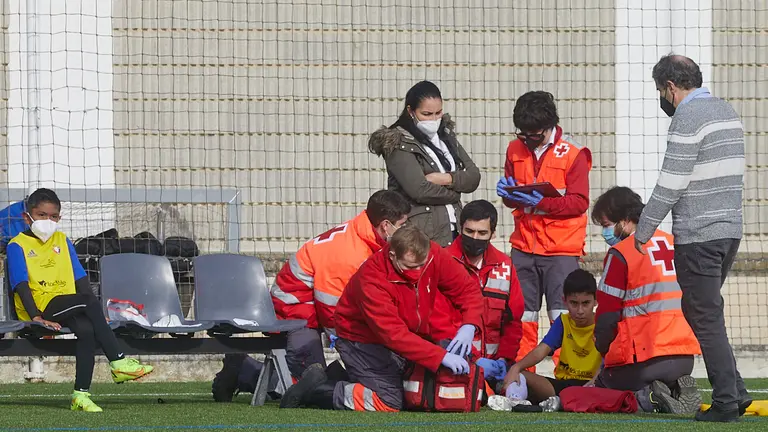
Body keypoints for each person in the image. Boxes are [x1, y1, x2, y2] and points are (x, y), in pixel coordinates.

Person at [636, 54, 751, 422]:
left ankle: (725, 403)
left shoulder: (688, 116)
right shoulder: (726, 110)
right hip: (728, 230)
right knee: (705, 311)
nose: (661, 98)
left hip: (699, 234)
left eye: (660, 90)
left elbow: (672, 181)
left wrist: (645, 226)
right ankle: (737, 391)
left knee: (704, 316)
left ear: (670, 87)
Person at [212, 190, 411, 402]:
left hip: (311, 305)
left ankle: (246, 370)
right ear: (385, 225)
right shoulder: (348, 256)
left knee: (319, 380)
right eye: (403, 224)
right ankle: (244, 369)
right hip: (295, 308)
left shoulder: (364, 237)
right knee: (307, 383)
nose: (407, 230)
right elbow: (333, 310)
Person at [278, 225, 485, 411]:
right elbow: (393, 335)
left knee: (414, 391)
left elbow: (467, 289)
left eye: (421, 265)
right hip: (360, 339)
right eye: (410, 267)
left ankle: (336, 376)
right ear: (392, 255)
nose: (418, 272)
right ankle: (320, 391)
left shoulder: (432, 255)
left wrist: (469, 324)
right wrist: (440, 356)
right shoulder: (372, 278)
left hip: (405, 334)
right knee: (390, 401)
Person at [6, 188, 154, 412]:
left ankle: (80, 396)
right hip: (38, 308)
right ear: (28, 217)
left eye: (53, 216)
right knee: (87, 301)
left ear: (60, 218)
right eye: (41, 215)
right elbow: (21, 285)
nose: (48, 221)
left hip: (68, 304)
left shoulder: (63, 241)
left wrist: (97, 316)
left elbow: (80, 278)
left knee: (87, 329)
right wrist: (35, 317)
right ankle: (118, 361)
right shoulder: (17, 245)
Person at [496, 91, 592, 367]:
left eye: (533, 135)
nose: (527, 139)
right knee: (522, 315)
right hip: (524, 245)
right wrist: (507, 193)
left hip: (561, 248)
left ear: (549, 126)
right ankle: (522, 374)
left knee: (563, 314)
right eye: (522, 133)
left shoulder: (573, 153)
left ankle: (569, 372)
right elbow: (512, 194)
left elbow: (579, 202)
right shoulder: (515, 148)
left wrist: (545, 202)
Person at [591, 186, 702, 414]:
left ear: (623, 220)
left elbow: (608, 314)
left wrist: (601, 348)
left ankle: (648, 396)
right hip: (684, 359)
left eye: (605, 225)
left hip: (647, 359)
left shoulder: (621, 253)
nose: (605, 233)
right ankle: (672, 389)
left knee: (603, 386)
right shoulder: (674, 244)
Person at [368, 80, 481, 246]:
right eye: (426, 114)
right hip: (421, 234)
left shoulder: (445, 134)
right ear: (410, 111)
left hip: (454, 228)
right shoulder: (399, 142)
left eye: (438, 113)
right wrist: (456, 193)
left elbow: (473, 176)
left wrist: (446, 179)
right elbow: (419, 190)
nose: (434, 120)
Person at [430, 199, 524, 393]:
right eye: (469, 231)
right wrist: (473, 360)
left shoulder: (505, 266)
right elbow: (440, 323)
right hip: (457, 363)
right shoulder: (443, 262)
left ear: (493, 233)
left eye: (482, 233)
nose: (475, 237)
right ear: (460, 228)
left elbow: (513, 321)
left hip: (496, 365)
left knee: (520, 388)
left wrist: (504, 360)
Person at [501, 269, 600, 405]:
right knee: (520, 374)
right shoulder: (563, 322)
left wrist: (594, 380)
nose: (580, 311)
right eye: (574, 304)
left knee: (600, 389)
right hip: (563, 385)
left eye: (586, 303)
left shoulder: (601, 324)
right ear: (564, 301)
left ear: (596, 301)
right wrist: (516, 368)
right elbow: (542, 349)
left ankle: (560, 401)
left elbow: (608, 361)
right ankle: (514, 401)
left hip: (592, 384)